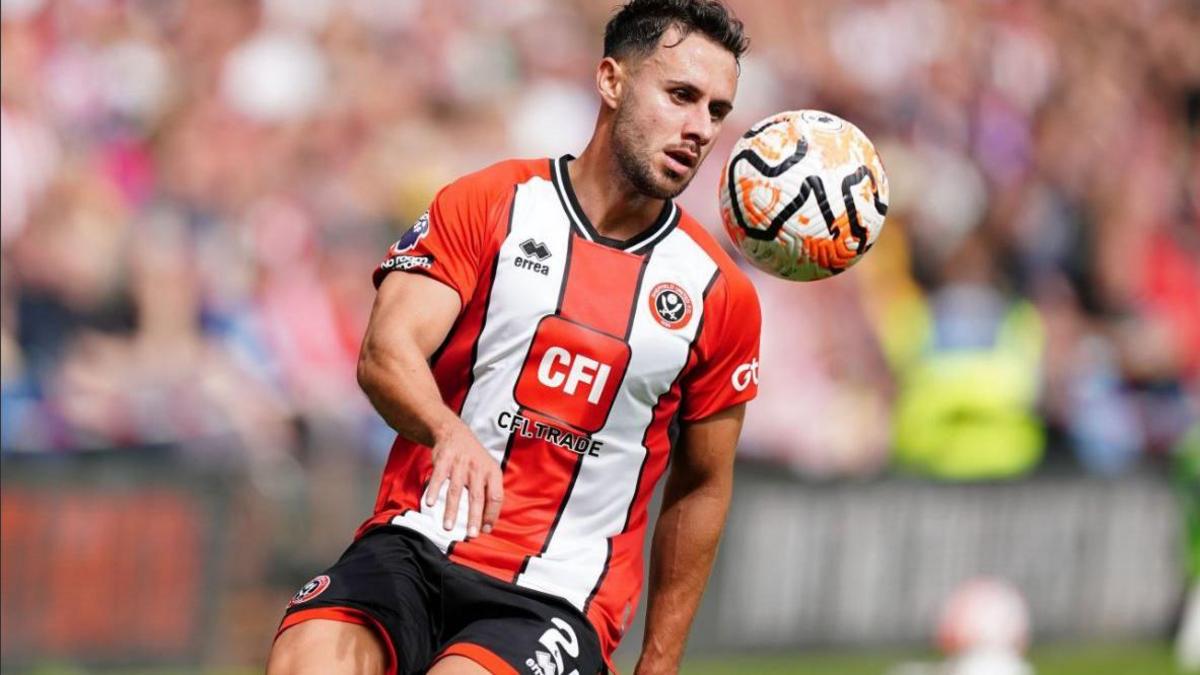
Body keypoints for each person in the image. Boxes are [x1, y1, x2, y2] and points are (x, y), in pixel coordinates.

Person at [266, 2, 759, 673]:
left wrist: (661, 658)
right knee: (306, 658)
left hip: (555, 595)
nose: (700, 128)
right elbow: (386, 351)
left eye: (717, 111)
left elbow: (703, 484)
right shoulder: (488, 203)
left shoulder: (717, 293)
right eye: (681, 96)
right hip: (412, 541)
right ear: (611, 80)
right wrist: (446, 429)